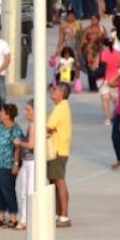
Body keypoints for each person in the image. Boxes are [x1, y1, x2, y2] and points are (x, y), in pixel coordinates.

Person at [0, 104, 24, 228]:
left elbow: (18, 148)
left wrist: (16, 164)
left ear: (8, 115)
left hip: (7, 165)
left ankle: (13, 218)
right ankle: (0, 216)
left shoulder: (15, 129)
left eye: (2, 112)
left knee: (8, 191)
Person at [45, 82, 72, 227]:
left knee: (59, 182)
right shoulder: (62, 107)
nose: (52, 91)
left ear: (61, 93)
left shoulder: (60, 108)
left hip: (57, 150)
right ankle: (58, 213)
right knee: (55, 182)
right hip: (58, 149)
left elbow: (48, 127)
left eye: (55, 90)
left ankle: (64, 216)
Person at [14, 100, 37, 231]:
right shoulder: (31, 125)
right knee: (24, 191)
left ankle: (27, 219)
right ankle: (24, 218)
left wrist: (19, 142)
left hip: (32, 162)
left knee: (29, 192)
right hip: (27, 161)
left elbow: (31, 145)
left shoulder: (34, 125)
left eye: (28, 110)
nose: (25, 112)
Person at [99, 37, 120, 125]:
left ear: (104, 45)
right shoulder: (118, 53)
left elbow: (95, 66)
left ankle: (107, 119)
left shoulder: (101, 54)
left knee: (105, 100)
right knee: (116, 100)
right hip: (115, 79)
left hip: (103, 79)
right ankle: (117, 117)